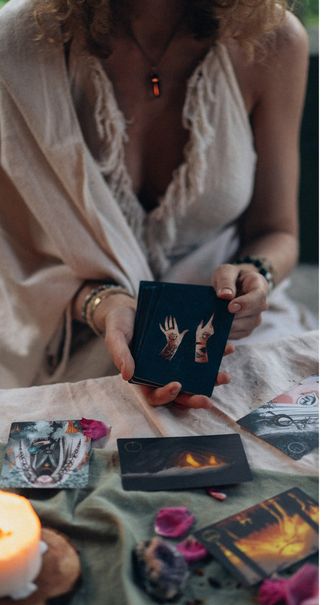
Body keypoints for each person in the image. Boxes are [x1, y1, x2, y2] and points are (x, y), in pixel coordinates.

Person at [0, 0, 309, 407]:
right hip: (68, 333)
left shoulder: (272, 40)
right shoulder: (19, 45)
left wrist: (256, 275)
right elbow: (17, 255)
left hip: (229, 334)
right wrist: (103, 304)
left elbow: (278, 231)